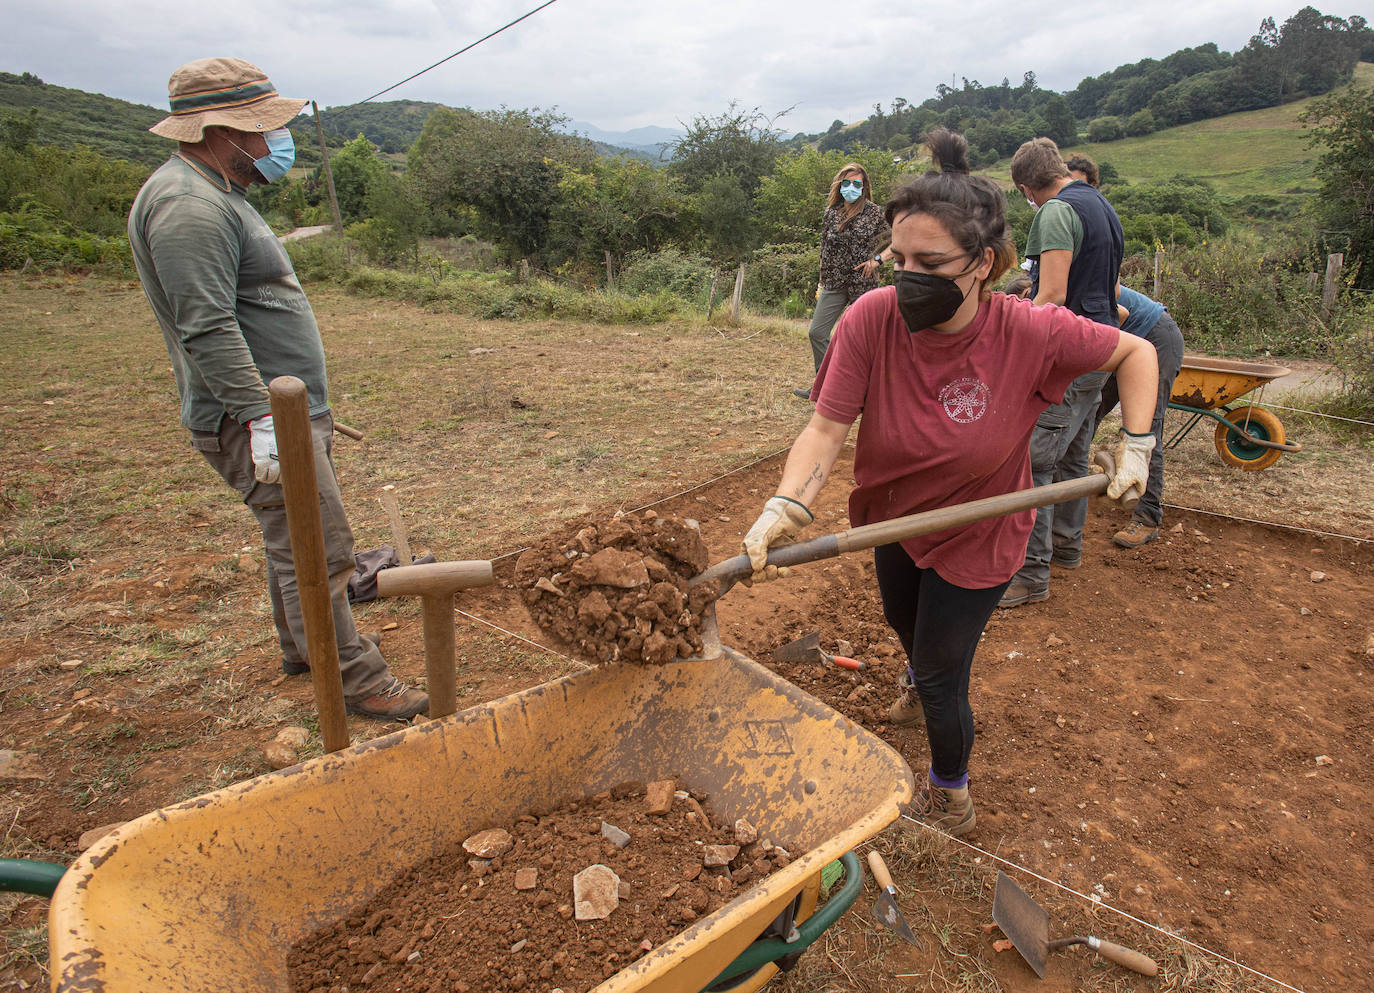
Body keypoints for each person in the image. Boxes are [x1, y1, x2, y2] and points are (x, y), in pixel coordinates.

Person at [741, 129, 1157, 835]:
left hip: (982, 529)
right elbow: (824, 427)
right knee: (905, 627)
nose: (907, 274)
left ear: (984, 264)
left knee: (940, 671)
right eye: (898, 258)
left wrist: (1139, 445)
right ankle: (915, 679)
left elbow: (1135, 350)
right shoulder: (871, 318)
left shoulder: (1030, 331)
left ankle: (950, 792)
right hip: (892, 517)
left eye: (929, 261)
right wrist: (789, 500)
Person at [127, 57, 428, 720]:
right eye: (262, 129)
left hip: (279, 411)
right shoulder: (188, 207)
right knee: (318, 546)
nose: (273, 142)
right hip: (258, 417)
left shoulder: (215, 192)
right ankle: (355, 677)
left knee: (291, 540)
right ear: (221, 129)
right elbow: (205, 325)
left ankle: (305, 647)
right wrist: (263, 419)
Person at [1000, 137, 1135, 607]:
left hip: (1069, 353)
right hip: (1100, 347)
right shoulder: (1100, 203)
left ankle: (1031, 576)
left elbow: (1052, 295)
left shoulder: (1054, 212)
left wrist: (1011, 335)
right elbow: (1110, 288)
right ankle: (1066, 547)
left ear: (1025, 187)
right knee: (1075, 455)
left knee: (1035, 463)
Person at [1093, 286, 1185, 547]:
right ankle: (1064, 499)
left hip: (1152, 337)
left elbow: (1119, 312)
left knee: (1143, 431)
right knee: (1083, 414)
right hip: (1118, 342)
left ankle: (1147, 517)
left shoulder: (1062, 282)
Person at [795, 163, 891, 399]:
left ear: (864, 186)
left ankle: (869, 392)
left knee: (864, 341)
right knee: (817, 332)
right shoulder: (832, 212)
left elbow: (898, 242)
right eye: (846, 183)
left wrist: (877, 260)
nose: (851, 187)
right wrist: (820, 280)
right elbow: (824, 249)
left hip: (863, 284)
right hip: (833, 282)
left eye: (857, 183)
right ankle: (825, 386)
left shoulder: (874, 213)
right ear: (839, 185)